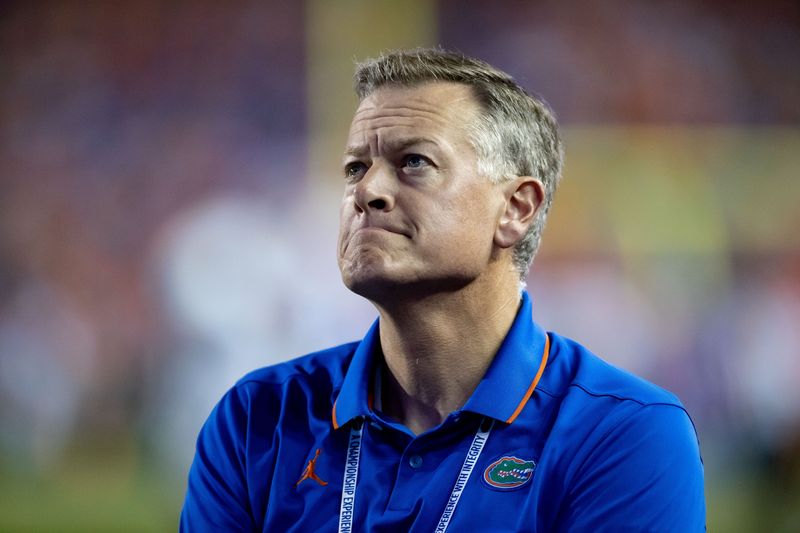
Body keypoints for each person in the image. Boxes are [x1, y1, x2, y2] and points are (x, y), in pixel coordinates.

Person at [180, 48, 705, 532]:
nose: (367, 191)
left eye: (414, 163)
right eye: (355, 168)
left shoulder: (623, 436)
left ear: (516, 209)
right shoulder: (256, 419)